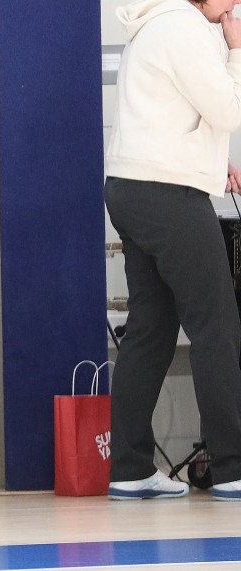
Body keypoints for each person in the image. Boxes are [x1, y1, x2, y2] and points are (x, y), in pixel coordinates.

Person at [105, 0, 241, 501]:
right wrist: (236, 52)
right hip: (169, 196)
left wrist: (213, 162)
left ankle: (129, 468)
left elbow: (166, 115)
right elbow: (229, 109)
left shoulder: (154, 23)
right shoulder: (186, 28)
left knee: (151, 328)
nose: (236, 4)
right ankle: (232, 469)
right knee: (216, 325)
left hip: (131, 188)